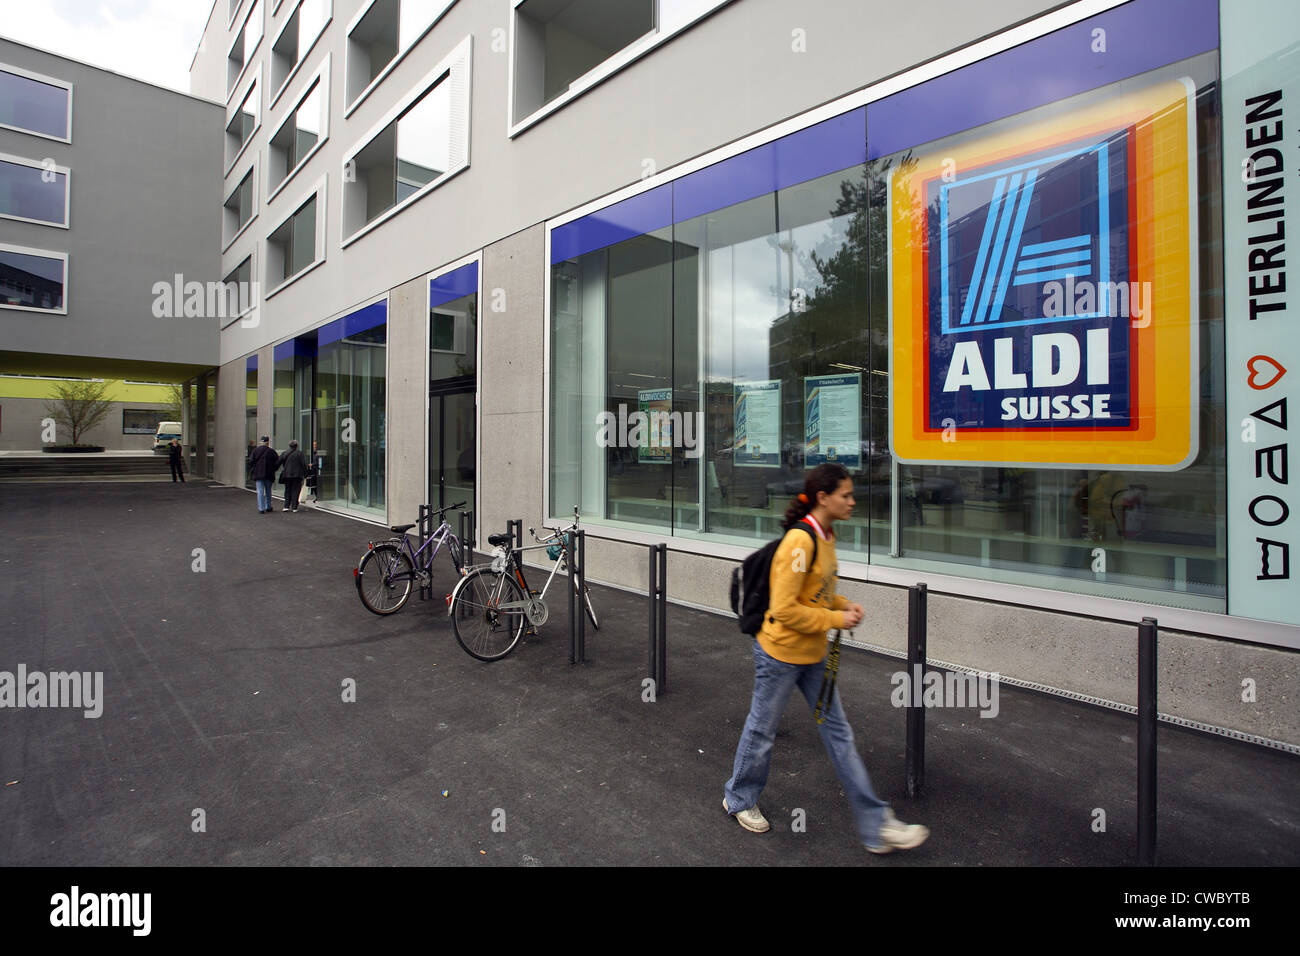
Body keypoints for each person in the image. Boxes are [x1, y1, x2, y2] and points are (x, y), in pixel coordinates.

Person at [723, 462, 930, 854]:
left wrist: (843, 605)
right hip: (780, 655)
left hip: (813, 653)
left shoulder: (826, 535)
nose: (852, 501)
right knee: (762, 732)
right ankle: (739, 799)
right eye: (846, 495)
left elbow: (813, 595)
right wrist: (837, 617)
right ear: (823, 497)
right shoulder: (800, 542)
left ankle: (876, 826)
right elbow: (785, 610)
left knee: (840, 736)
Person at [248, 435, 278, 514]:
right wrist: (274, 469)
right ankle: (268, 506)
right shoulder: (271, 451)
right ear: (268, 443)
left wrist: (254, 469)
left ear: (261, 442)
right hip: (269, 474)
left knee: (260, 491)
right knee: (268, 491)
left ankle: (261, 508)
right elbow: (277, 462)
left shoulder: (255, 451)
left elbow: (251, 462)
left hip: (258, 474)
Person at [277, 440, 309, 512]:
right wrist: (306, 474)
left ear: (289, 446)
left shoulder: (285, 453)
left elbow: (278, 462)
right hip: (297, 475)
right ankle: (294, 507)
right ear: (296, 446)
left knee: (287, 490)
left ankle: (286, 506)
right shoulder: (300, 454)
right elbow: (303, 464)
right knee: (296, 490)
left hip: (287, 474)